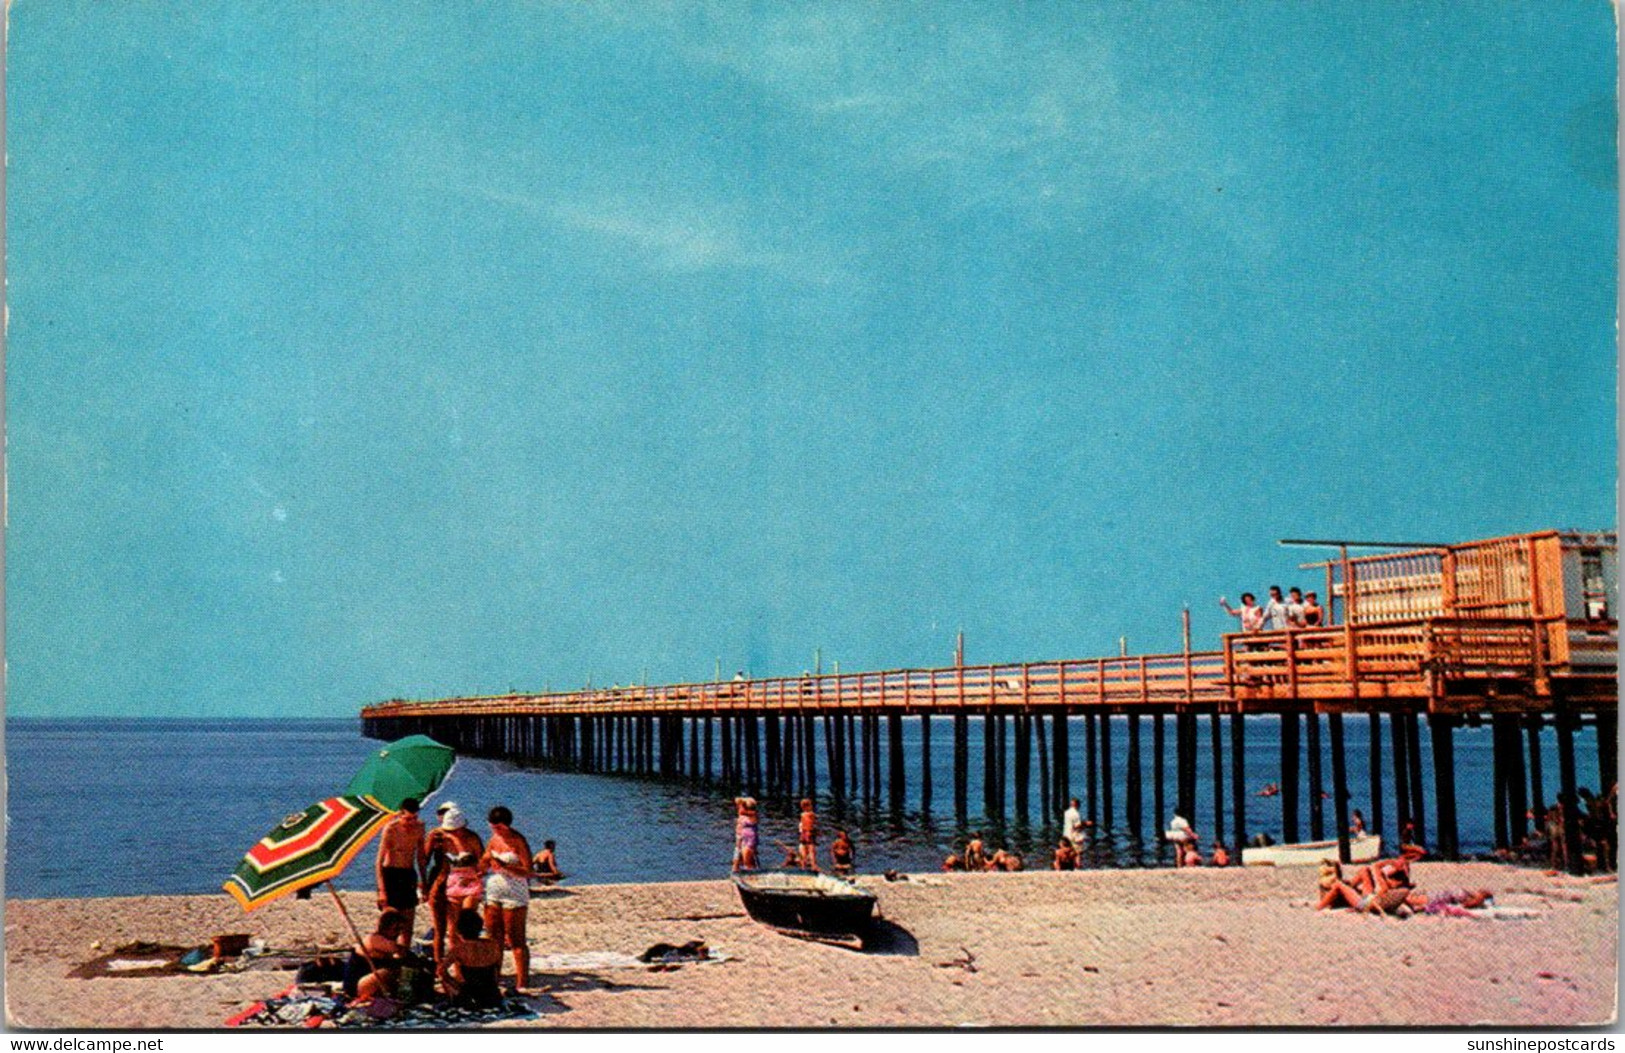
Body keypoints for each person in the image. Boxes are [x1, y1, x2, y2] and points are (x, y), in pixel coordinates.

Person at [481, 806, 533, 991]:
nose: (497, 831)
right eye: (494, 827)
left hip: (514, 891)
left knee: (516, 938)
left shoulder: (518, 841)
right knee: (494, 937)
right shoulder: (494, 839)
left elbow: (528, 871)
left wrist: (505, 866)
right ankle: (494, 976)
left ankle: (522, 982)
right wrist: (484, 862)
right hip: (494, 889)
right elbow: (483, 864)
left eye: (500, 828)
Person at [374, 799, 424, 948]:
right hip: (391, 874)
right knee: (389, 923)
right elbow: (378, 862)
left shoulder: (420, 828)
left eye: (414, 818)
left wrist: (424, 881)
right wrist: (382, 890)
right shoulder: (391, 828)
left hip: (408, 874)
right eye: (408, 819)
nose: (411, 822)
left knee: (407, 925)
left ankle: (402, 958)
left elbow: (420, 858)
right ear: (400, 814)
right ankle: (385, 954)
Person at [344, 908, 411, 1002]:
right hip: (357, 985)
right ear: (385, 928)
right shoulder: (377, 940)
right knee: (389, 972)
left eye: (401, 930)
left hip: (362, 981)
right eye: (396, 929)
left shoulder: (383, 940)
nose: (399, 933)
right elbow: (399, 951)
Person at [442, 909, 503, 1009]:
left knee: (445, 981)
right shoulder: (492, 945)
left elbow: (441, 971)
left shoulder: (459, 948)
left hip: (470, 996)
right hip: (492, 995)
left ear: (458, 930)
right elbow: (496, 969)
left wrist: (454, 984)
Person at [732, 797, 759, 872]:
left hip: (749, 839)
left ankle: (752, 874)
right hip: (741, 839)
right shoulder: (741, 815)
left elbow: (753, 813)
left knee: (747, 859)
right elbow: (737, 800)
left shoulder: (753, 816)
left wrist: (744, 810)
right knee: (737, 859)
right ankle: (737, 872)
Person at [797, 798, 819, 870]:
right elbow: (810, 825)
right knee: (810, 850)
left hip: (804, 833)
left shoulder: (803, 814)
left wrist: (805, 834)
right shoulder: (810, 814)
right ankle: (812, 866)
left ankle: (804, 866)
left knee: (806, 850)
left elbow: (805, 825)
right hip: (807, 832)